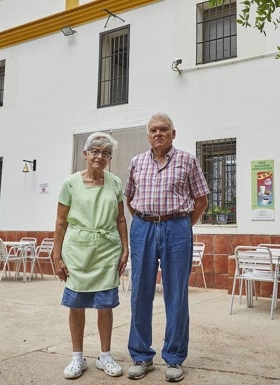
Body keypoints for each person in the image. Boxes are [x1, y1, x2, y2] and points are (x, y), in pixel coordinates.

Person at [124, 112, 209, 382]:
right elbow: (129, 199)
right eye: (153, 130)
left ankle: (173, 358)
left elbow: (201, 199)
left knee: (176, 294)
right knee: (140, 292)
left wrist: (182, 225)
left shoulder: (188, 160)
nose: (158, 133)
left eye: (164, 129)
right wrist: (146, 220)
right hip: (143, 227)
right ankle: (141, 355)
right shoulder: (136, 162)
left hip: (176, 228)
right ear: (147, 135)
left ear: (173, 134)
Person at [52, 132, 129, 380]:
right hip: (77, 251)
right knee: (76, 305)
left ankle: (105, 356)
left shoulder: (115, 183)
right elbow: (61, 221)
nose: (100, 156)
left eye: (106, 153)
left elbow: (120, 218)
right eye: (95, 151)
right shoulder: (70, 183)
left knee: (105, 305)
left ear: (110, 158)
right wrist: (57, 254)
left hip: (107, 249)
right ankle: (77, 358)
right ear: (85, 154)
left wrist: (125, 247)